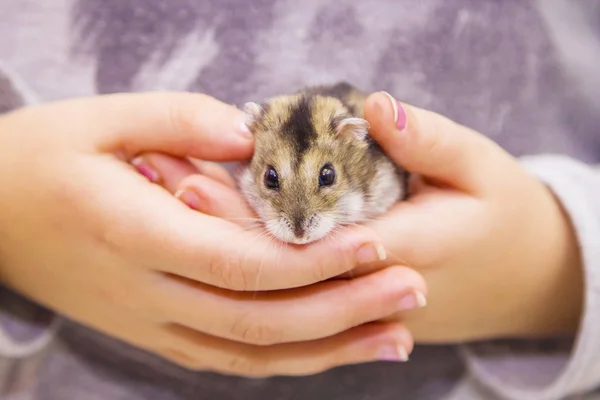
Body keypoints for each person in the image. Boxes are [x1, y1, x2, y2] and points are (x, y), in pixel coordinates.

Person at [1, 1, 599, 399]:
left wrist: (552, 270)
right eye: (271, 184)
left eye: (324, 183)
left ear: (354, 155)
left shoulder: (369, 155)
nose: (297, 222)